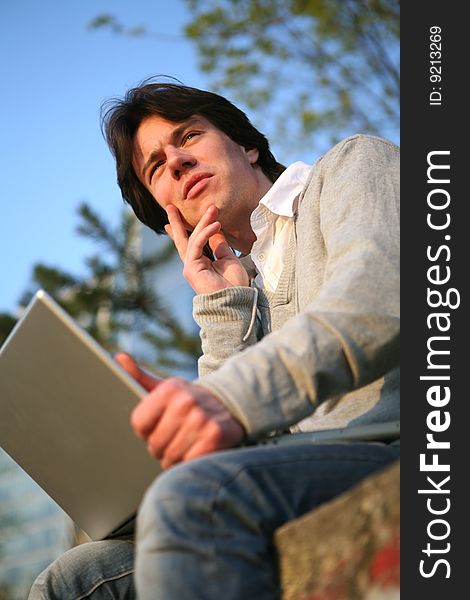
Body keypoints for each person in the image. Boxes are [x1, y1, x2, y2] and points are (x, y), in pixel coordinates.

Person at [29, 81, 400, 599]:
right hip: (289, 483)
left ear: (247, 145)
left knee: (197, 497)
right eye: (156, 167)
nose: (177, 161)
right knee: (72, 579)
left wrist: (224, 399)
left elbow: (380, 297)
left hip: (394, 449)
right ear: (165, 212)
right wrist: (224, 306)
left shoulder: (352, 166)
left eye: (189, 136)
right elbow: (243, 447)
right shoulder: (240, 287)